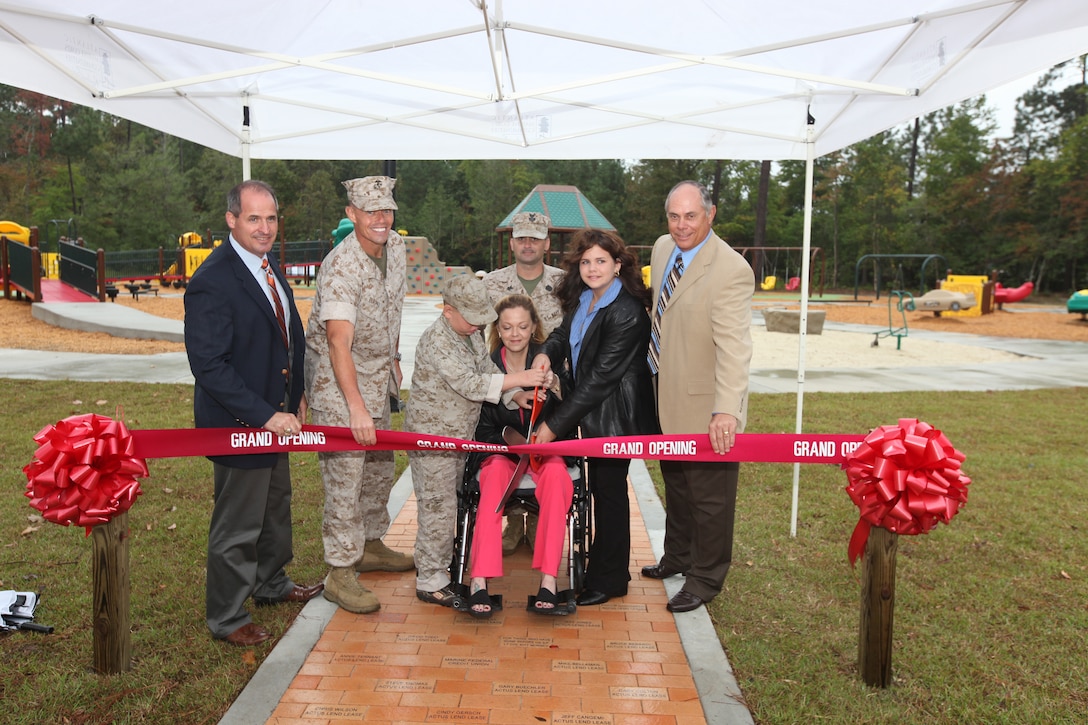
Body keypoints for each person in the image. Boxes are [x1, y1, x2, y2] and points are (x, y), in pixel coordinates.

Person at [184, 180, 323, 647]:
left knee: (274, 509)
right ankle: (226, 616)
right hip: (240, 426)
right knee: (238, 524)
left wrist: (296, 394)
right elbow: (209, 366)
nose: (265, 228)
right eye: (253, 218)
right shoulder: (212, 280)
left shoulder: (266, 266)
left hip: (277, 418)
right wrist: (264, 415)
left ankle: (271, 583)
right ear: (231, 220)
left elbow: (287, 337)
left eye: (271, 218)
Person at [641, 180, 754, 614]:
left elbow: (734, 348)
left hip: (706, 406)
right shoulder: (662, 248)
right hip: (664, 395)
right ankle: (678, 556)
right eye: (674, 216)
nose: (681, 225)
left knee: (710, 498)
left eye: (691, 216)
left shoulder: (730, 270)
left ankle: (705, 578)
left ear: (711, 213)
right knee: (679, 487)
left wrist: (726, 410)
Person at [531, 229, 658, 606]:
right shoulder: (585, 297)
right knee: (600, 490)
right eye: (586, 261)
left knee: (610, 493)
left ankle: (610, 579)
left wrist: (554, 425)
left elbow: (602, 378)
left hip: (616, 414)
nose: (592, 268)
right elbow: (561, 335)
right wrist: (546, 354)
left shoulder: (628, 310)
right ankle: (599, 568)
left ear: (618, 264)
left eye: (601, 260)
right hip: (591, 407)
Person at [405, 275, 548, 607]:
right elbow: (470, 383)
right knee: (437, 507)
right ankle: (430, 579)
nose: (477, 325)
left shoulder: (467, 334)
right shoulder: (438, 339)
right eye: (471, 318)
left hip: (458, 438)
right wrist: (523, 377)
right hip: (434, 438)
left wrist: (515, 395)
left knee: (450, 503)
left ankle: (444, 566)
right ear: (448, 310)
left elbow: (486, 369)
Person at [305, 176, 412, 615]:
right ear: (352, 214)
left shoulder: (398, 250)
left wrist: (394, 356)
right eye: (370, 212)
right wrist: (355, 408)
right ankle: (340, 571)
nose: (380, 219)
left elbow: (394, 306)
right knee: (346, 476)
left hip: (376, 372)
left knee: (378, 466)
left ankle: (370, 544)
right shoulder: (341, 267)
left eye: (386, 210)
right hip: (337, 381)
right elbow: (336, 343)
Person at [466, 295, 574, 618]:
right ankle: (479, 581)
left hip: (544, 451)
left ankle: (549, 581)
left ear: (534, 328)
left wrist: (553, 385)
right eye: (507, 327)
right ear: (497, 328)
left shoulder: (546, 361)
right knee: (494, 476)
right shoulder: (488, 366)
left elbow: (570, 406)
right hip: (503, 452)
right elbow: (482, 430)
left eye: (522, 327)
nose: (515, 334)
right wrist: (509, 438)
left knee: (557, 477)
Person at [483, 211, 565, 555]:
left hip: (553, 388)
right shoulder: (491, 284)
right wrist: (510, 388)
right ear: (513, 242)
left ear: (546, 243)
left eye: (536, 238)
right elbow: (481, 342)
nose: (528, 244)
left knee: (544, 452)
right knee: (508, 445)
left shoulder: (566, 282)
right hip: (505, 386)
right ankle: (515, 523)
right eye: (522, 238)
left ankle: (540, 518)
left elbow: (571, 337)